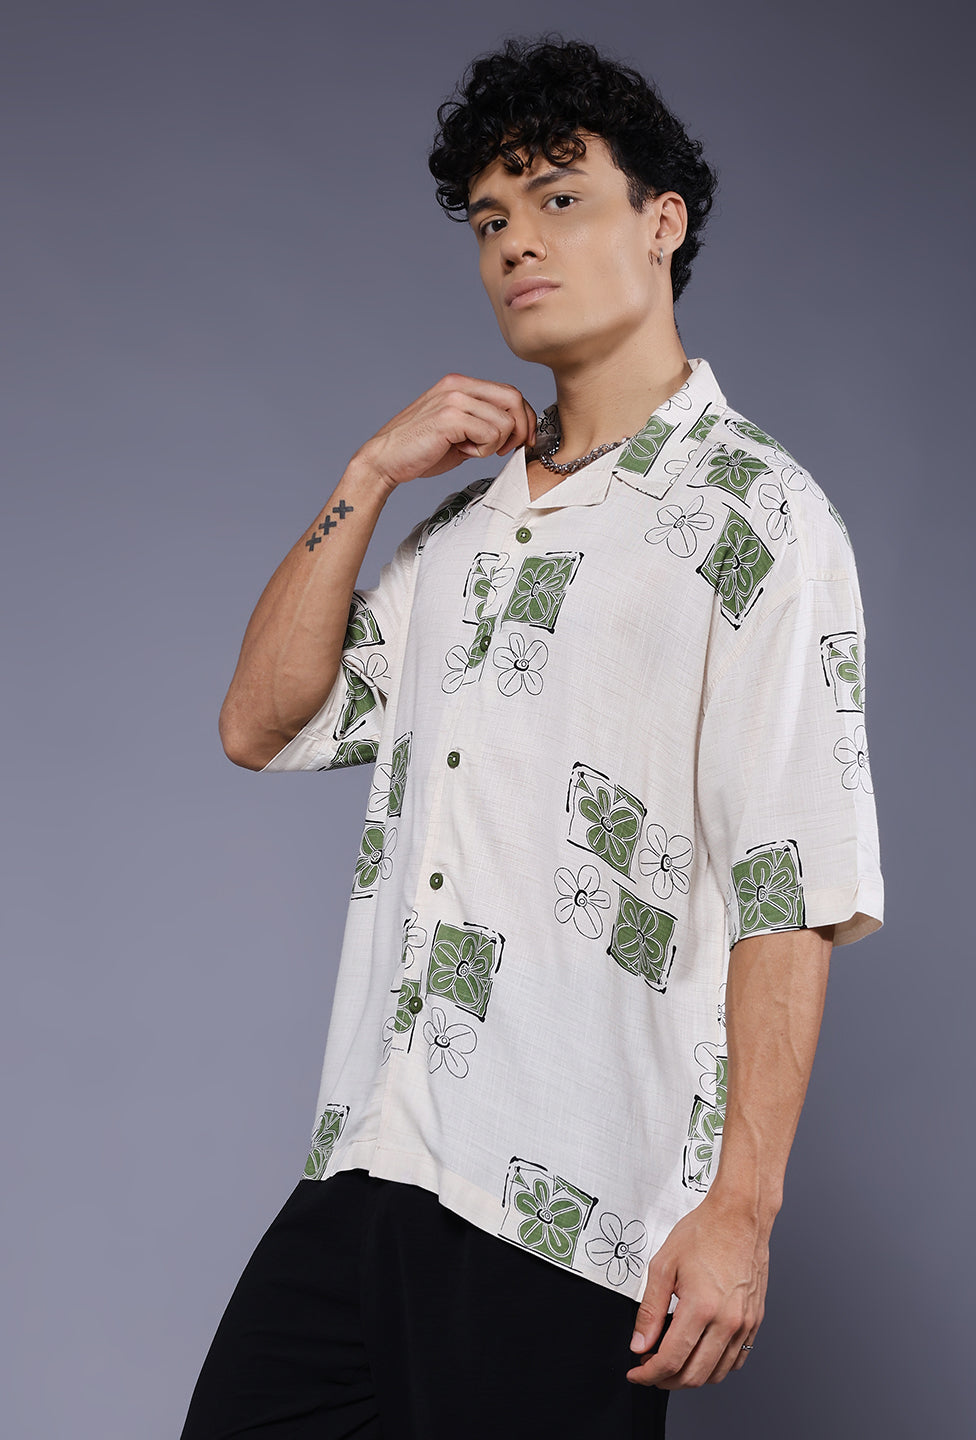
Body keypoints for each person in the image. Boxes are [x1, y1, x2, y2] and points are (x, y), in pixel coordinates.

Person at [179, 33, 884, 1440]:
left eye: (559, 199)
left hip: (570, 1199)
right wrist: (370, 475)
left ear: (661, 222)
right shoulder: (460, 533)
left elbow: (791, 882)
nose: (515, 241)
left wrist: (741, 1208)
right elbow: (259, 722)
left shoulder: (758, 516)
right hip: (374, 1154)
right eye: (492, 217)